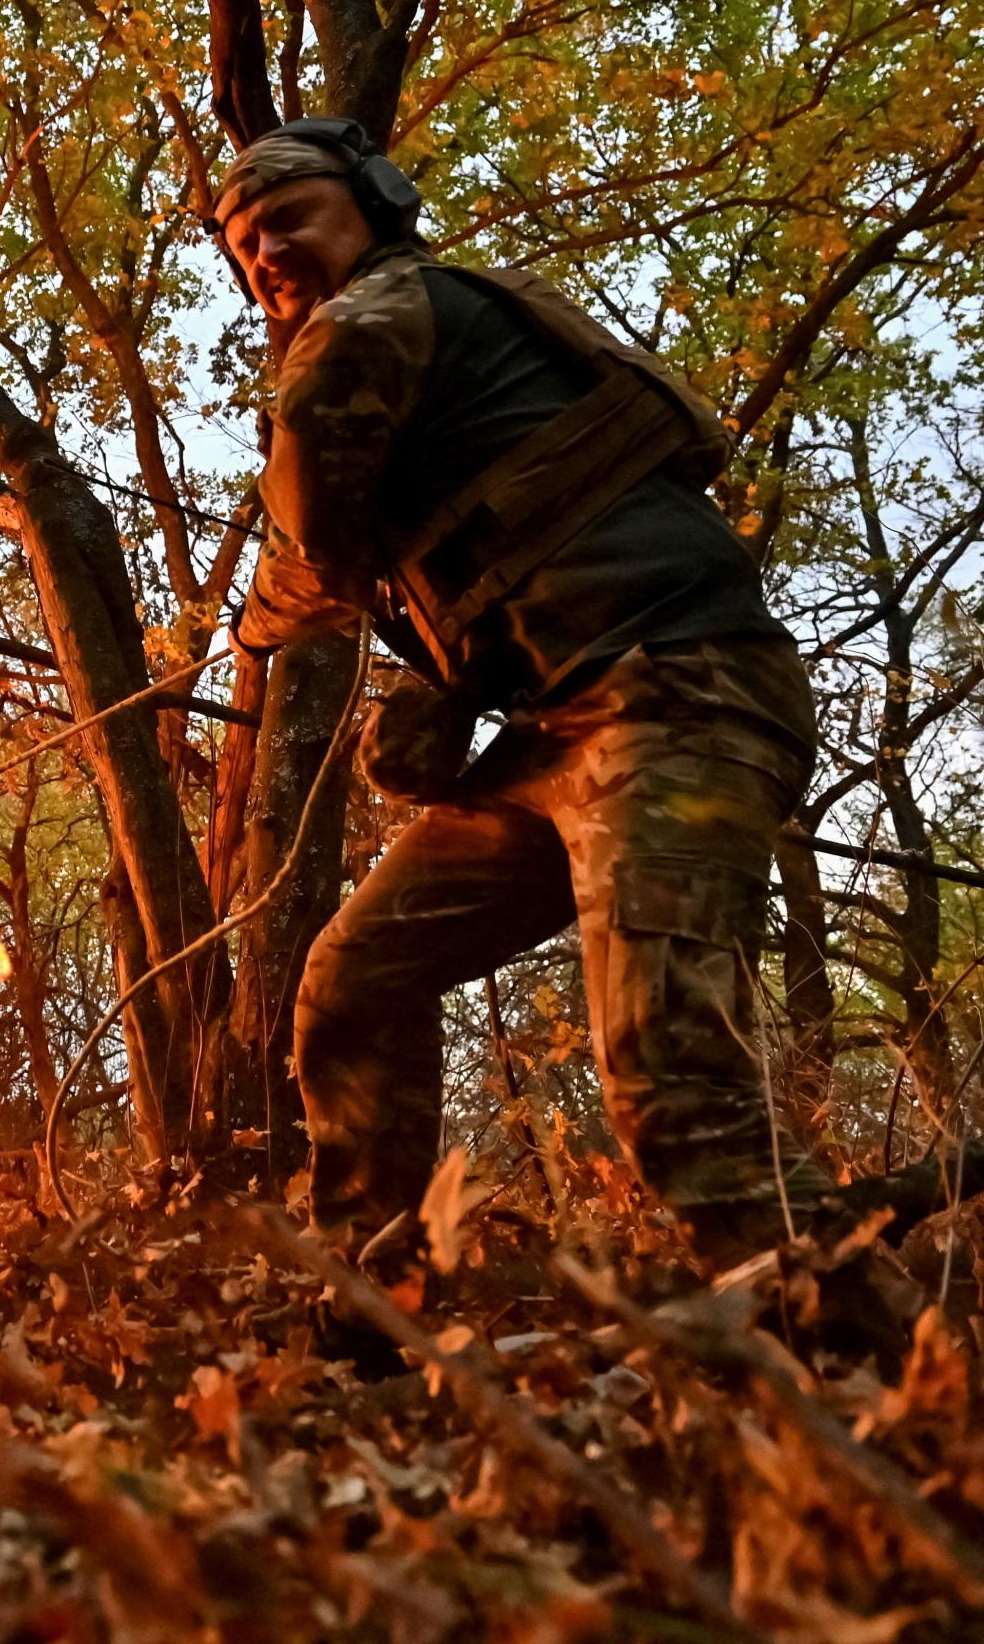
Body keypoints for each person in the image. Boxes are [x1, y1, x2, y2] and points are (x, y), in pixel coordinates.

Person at [218, 117, 830, 1272]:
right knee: (356, 979)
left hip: (679, 700)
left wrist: (249, 635)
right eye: (248, 247)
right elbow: (498, 556)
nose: (269, 257)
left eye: (289, 219)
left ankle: (900, 1382)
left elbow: (312, 553)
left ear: (377, 205)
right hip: (566, 732)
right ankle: (366, 1310)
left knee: (675, 1090)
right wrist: (445, 691)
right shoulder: (450, 333)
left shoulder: (369, 321)